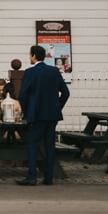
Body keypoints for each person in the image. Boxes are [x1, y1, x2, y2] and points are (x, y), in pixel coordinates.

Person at [16, 44, 70, 186]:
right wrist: (57, 107)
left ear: (33, 56)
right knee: (49, 146)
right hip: (52, 115)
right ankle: (49, 177)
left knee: (32, 144)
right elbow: (65, 93)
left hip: (36, 115)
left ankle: (32, 176)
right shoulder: (54, 71)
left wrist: (27, 111)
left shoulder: (30, 72)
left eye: (30, 55)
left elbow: (22, 96)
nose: (30, 57)